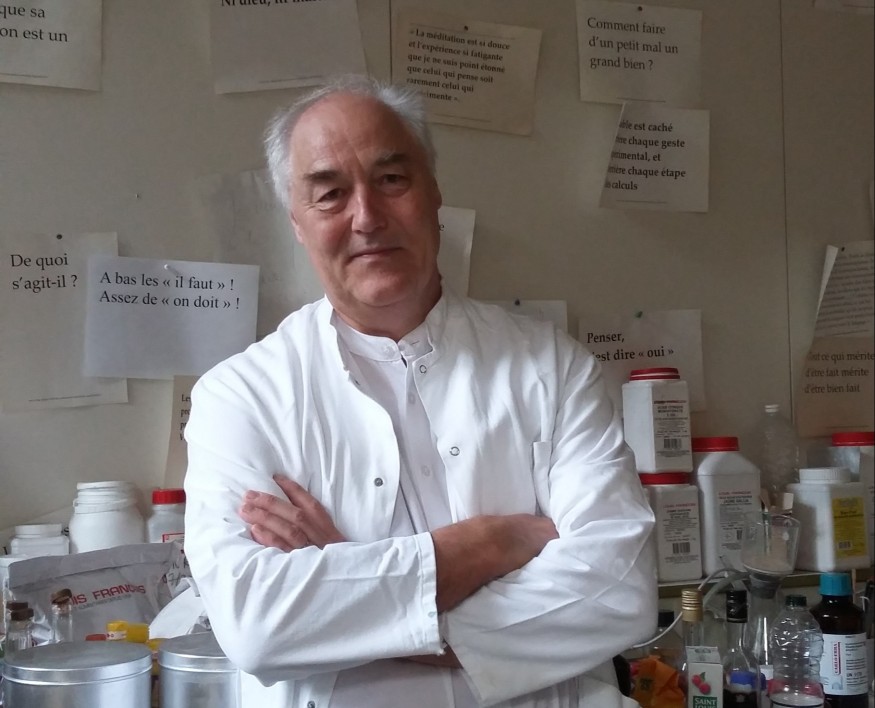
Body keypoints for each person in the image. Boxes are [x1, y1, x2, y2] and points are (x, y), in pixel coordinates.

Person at [183, 73, 657, 708]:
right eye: (329, 194)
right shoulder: (240, 397)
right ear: (297, 222)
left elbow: (620, 590)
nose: (367, 217)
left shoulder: (551, 366)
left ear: (433, 192)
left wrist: (349, 585)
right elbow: (257, 624)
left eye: (391, 179)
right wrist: (486, 546)